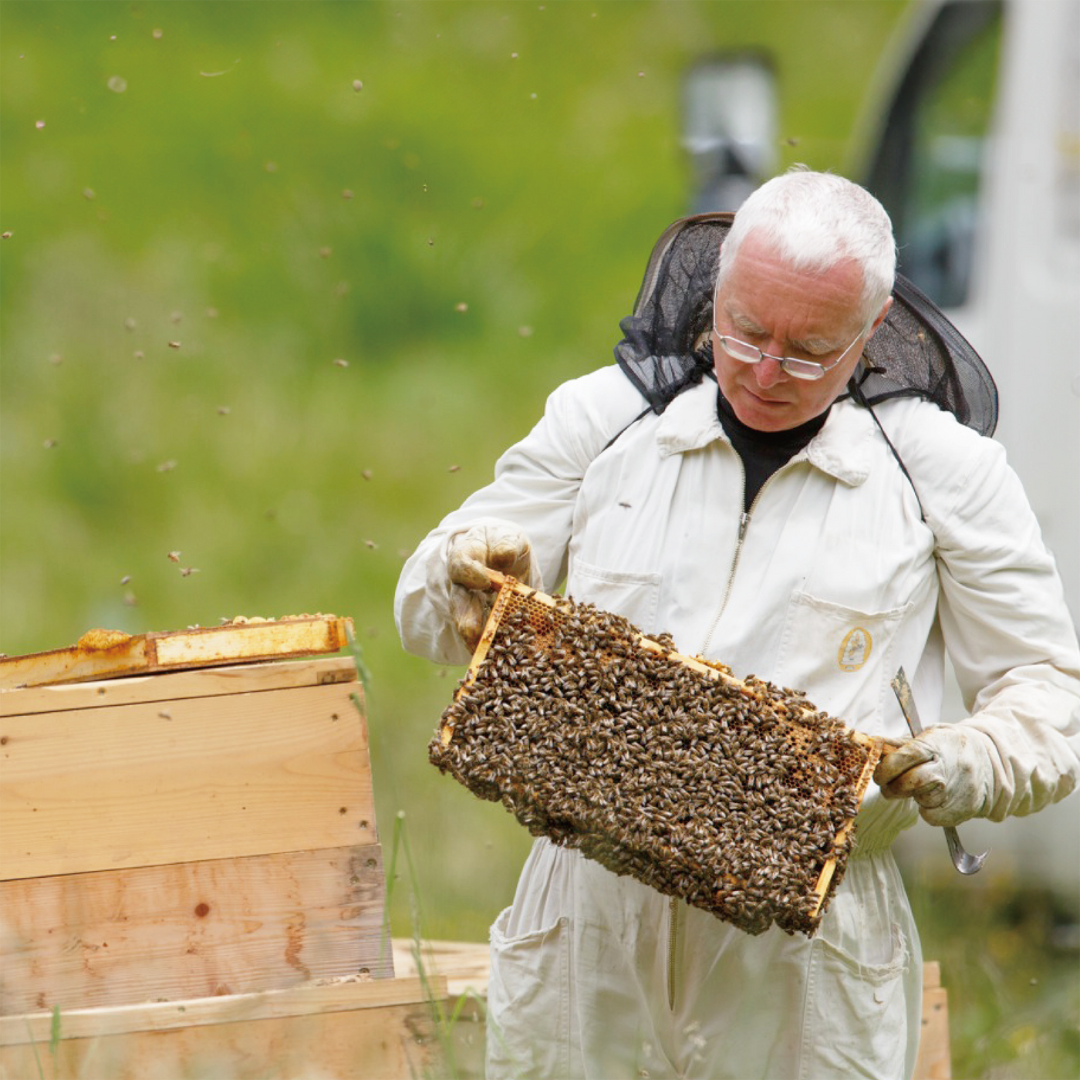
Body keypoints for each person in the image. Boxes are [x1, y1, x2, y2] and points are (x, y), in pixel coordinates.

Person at [394, 168, 1080, 1080]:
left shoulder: (945, 474)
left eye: (808, 351)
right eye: (746, 330)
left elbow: (1048, 694)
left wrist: (970, 760)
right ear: (716, 291)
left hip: (806, 956)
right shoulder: (606, 420)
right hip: (589, 925)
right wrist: (465, 570)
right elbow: (424, 611)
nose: (763, 370)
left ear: (872, 329)